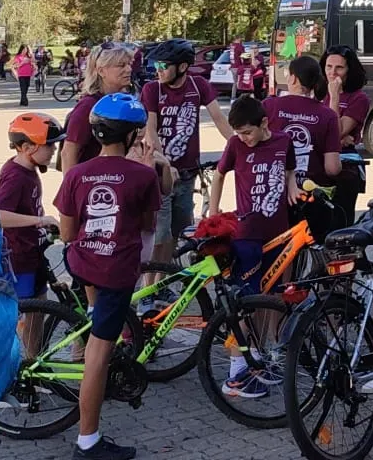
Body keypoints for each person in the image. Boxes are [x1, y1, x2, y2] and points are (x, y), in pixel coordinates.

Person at [55, 92, 166, 460]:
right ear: (132, 134)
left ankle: (92, 312)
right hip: (117, 269)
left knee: (100, 327)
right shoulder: (142, 175)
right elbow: (148, 225)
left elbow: (67, 233)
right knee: (97, 357)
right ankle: (87, 441)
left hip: (83, 263)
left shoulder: (76, 174)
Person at [207, 94, 293, 401]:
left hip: (278, 233)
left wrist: (293, 185)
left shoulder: (283, 142)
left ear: (264, 123)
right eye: (239, 133)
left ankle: (257, 358)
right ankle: (236, 371)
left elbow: (289, 169)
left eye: (247, 132)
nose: (243, 138)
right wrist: (213, 211)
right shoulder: (236, 145)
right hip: (247, 235)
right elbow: (219, 175)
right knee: (244, 302)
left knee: (270, 298)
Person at [141, 38, 234, 268]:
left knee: (178, 232)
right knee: (160, 235)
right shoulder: (152, 89)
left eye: (163, 65)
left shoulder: (198, 85)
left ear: (182, 67)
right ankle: (148, 282)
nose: (158, 70)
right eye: (156, 65)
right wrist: (165, 163)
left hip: (188, 173)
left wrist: (238, 148)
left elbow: (219, 118)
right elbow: (150, 131)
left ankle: (163, 276)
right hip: (161, 174)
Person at [0, 112, 64, 357]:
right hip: (19, 258)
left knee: (38, 310)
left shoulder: (29, 170)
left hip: (33, 252)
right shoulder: (15, 176)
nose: (54, 150)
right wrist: (38, 221)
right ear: (26, 147)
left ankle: (34, 360)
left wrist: (43, 227)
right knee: (28, 312)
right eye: (49, 145)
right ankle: (25, 363)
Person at [263, 54, 345, 234]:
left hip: (273, 193)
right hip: (310, 197)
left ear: (293, 78)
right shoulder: (328, 115)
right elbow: (332, 168)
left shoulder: (270, 106)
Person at [64, 44, 137, 171]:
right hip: (93, 179)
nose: (129, 69)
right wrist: (71, 182)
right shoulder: (88, 106)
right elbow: (68, 153)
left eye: (129, 64)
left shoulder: (124, 101)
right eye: (121, 65)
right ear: (101, 71)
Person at [320, 45, 371, 219]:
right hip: (319, 163)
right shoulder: (319, 93)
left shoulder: (358, 98)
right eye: (328, 66)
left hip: (345, 166)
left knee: (341, 219)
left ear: (349, 70)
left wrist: (334, 97)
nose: (332, 72)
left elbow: (337, 131)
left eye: (339, 68)